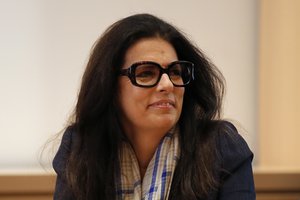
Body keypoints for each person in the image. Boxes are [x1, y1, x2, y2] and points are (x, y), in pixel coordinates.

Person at [53, 13, 255, 200]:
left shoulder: (221, 146)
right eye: (146, 73)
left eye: (175, 72)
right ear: (110, 86)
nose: (167, 84)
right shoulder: (81, 146)